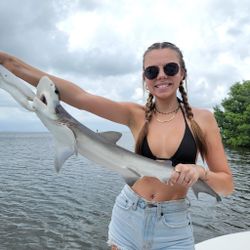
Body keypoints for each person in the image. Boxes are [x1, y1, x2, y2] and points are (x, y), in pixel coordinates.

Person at [0, 42, 234, 250]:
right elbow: (80, 97)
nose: (161, 75)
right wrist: (8, 62)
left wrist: (199, 171)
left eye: (170, 68)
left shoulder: (202, 119)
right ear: (145, 78)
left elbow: (226, 185)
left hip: (173, 227)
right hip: (129, 215)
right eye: (152, 71)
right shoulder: (134, 115)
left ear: (182, 73)